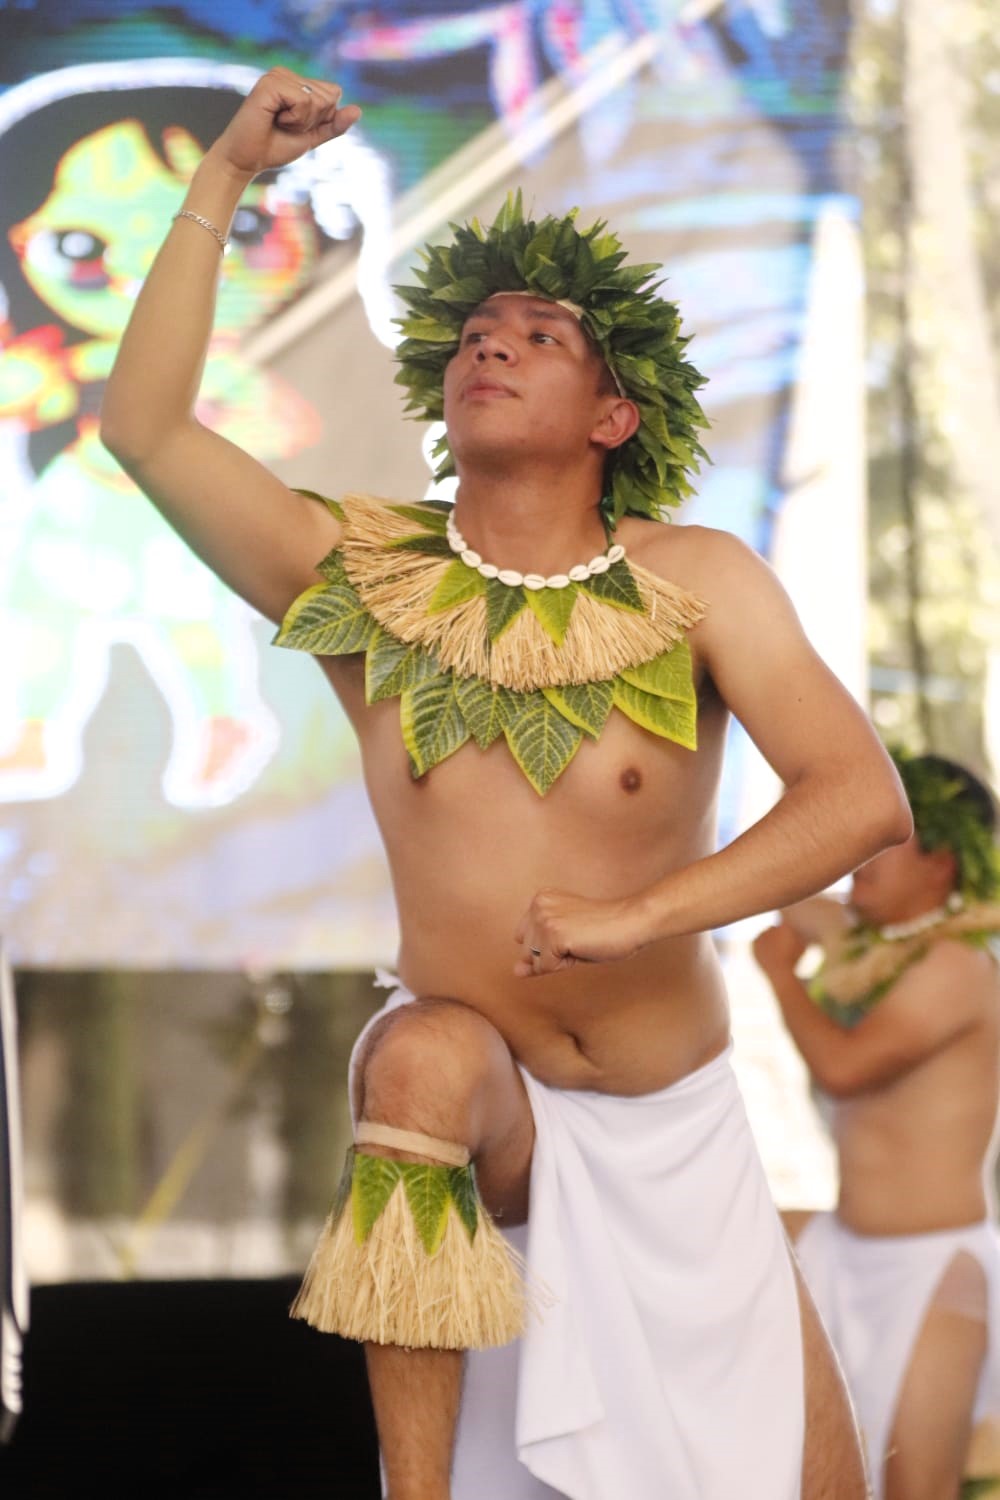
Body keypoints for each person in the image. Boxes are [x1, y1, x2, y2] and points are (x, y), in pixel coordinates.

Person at [100, 67, 912, 1500]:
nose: (495, 343)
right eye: (477, 333)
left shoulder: (700, 580)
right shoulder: (365, 579)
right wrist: (224, 174)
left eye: (542, 337)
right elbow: (147, 433)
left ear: (612, 419)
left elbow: (858, 801)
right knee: (417, 1054)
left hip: (670, 1132)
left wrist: (644, 912)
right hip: (494, 1123)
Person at [754, 750, 1000, 1500]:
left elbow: (845, 1068)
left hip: (932, 1267)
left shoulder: (956, 967)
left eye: (888, 837)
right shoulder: (870, 945)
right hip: (841, 1246)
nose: (863, 851)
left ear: (942, 863)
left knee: (914, 1489)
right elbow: (780, 882)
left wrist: (780, 976)